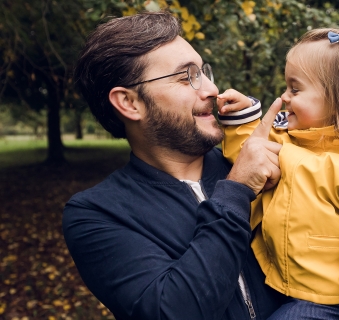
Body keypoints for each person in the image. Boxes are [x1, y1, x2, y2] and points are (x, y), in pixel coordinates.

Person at [62, 11, 287, 320]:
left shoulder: (263, 166)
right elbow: (172, 310)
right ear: (129, 103)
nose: (211, 89)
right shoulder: (95, 214)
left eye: (204, 72)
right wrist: (237, 191)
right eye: (187, 77)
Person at [216, 28, 339, 320]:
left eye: (295, 88)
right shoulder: (286, 138)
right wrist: (242, 118)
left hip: (330, 301)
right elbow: (250, 158)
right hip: (276, 280)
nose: (284, 96)